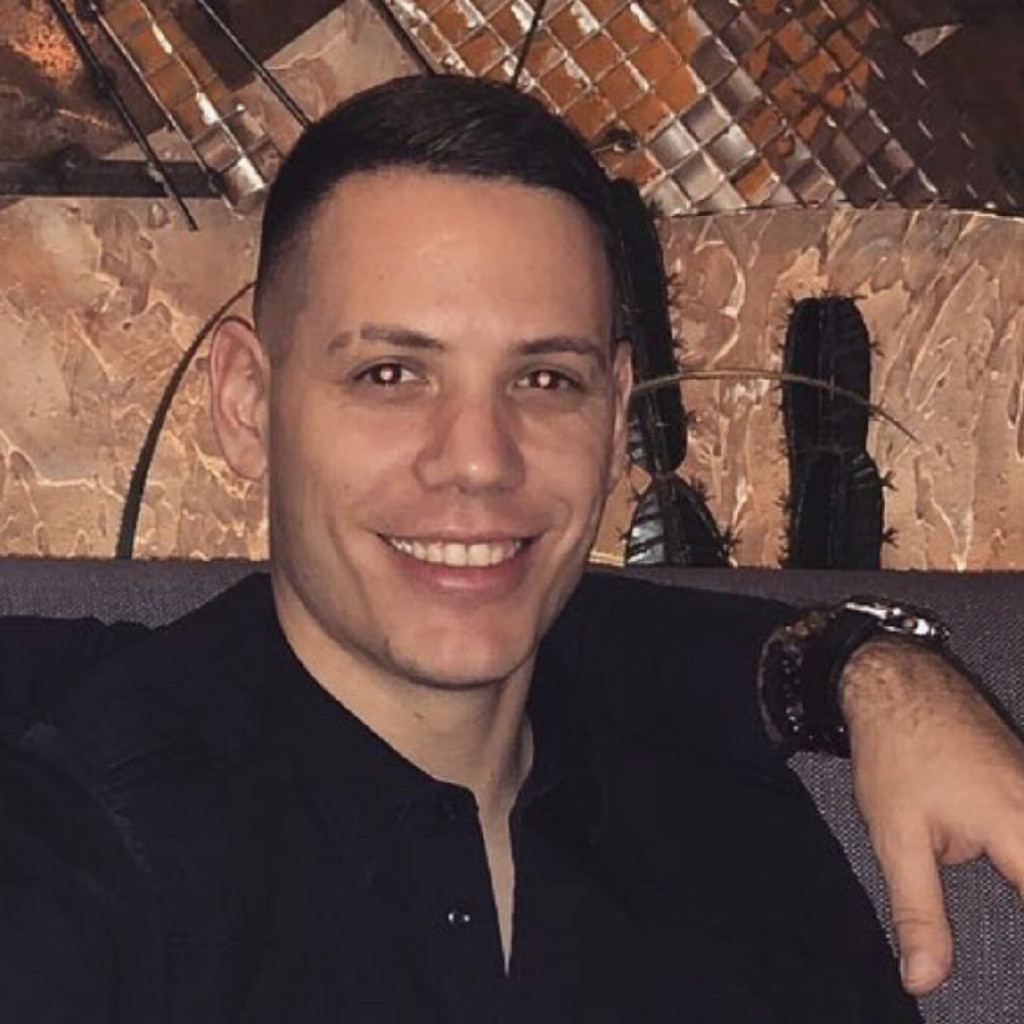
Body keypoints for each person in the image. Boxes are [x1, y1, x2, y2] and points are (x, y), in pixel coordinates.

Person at [0, 75, 1021, 1022]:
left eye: (544, 380)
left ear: (616, 417)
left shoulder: (731, 833)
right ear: (247, 403)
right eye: (391, 374)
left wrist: (861, 669)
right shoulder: (84, 847)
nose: (480, 460)